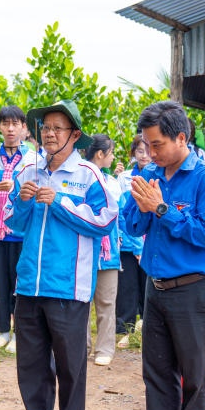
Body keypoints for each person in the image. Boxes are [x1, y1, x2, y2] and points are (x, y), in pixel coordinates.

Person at [4, 100, 118, 410]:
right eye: (45, 128)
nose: (49, 133)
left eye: (58, 127)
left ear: (75, 135)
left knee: (70, 366)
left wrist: (60, 202)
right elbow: (13, 221)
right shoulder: (29, 171)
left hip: (69, 287)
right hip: (30, 285)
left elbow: (105, 221)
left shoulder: (88, 175)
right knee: (32, 365)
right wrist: (22, 202)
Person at [123, 101, 205, 410]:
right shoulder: (149, 175)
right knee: (157, 374)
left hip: (192, 290)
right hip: (156, 287)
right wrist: (140, 207)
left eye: (158, 145)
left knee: (194, 377)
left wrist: (162, 209)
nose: (151, 153)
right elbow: (133, 226)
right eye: (147, 145)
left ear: (181, 137)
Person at [0, 106, 38, 353]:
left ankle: (19, 334)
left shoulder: (33, 158)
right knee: (0, 282)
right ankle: (3, 331)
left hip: (22, 231)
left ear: (24, 127)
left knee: (20, 283)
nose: (10, 129)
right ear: (0, 127)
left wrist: (14, 188)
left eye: (15, 124)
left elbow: (35, 192)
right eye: (6, 124)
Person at [84, 134, 122, 366]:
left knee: (107, 301)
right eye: (111, 152)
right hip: (85, 250)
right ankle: (83, 346)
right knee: (81, 302)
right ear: (100, 154)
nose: (114, 157)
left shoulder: (113, 183)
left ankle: (105, 348)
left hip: (108, 254)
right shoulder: (81, 178)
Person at [115, 133, 150, 349]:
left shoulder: (159, 174)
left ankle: (147, 325)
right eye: (139, 151)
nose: (144, 155)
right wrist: (135, 245)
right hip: (128, 243)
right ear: (133, 154)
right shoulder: (124, 178)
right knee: (127, 286)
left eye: (147, 150)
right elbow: (121, 213)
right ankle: (124, 327)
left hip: (150, 244)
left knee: (148, 285)